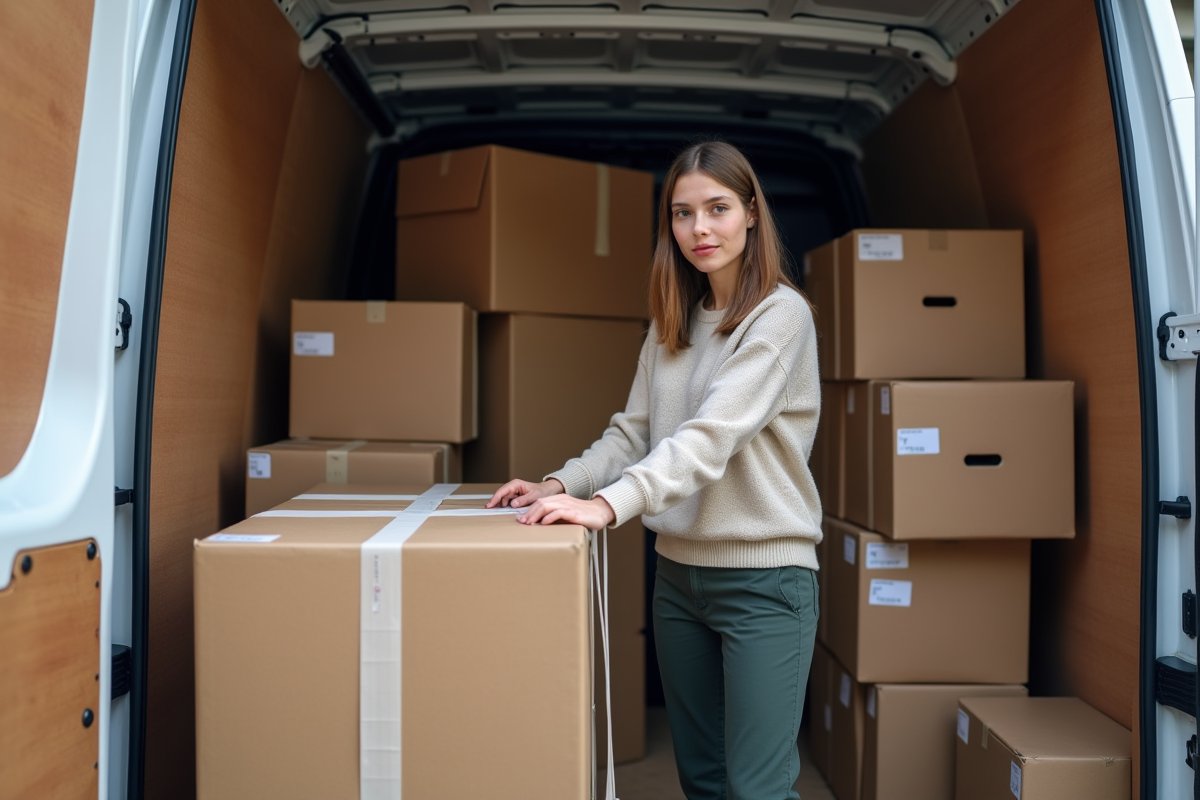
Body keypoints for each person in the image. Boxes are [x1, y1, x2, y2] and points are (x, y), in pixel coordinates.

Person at [488, 140, 822, 800]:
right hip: (678, 581)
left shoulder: (782, 316)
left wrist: (610, 506)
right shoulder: (675, 319)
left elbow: (709, 439)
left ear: (752, 214)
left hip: (764, 581)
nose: (700, 229)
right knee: (700, 781)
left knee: (756, 791)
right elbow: (633, 432)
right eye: (682, 213)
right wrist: (563, 485)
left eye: (718, 209)